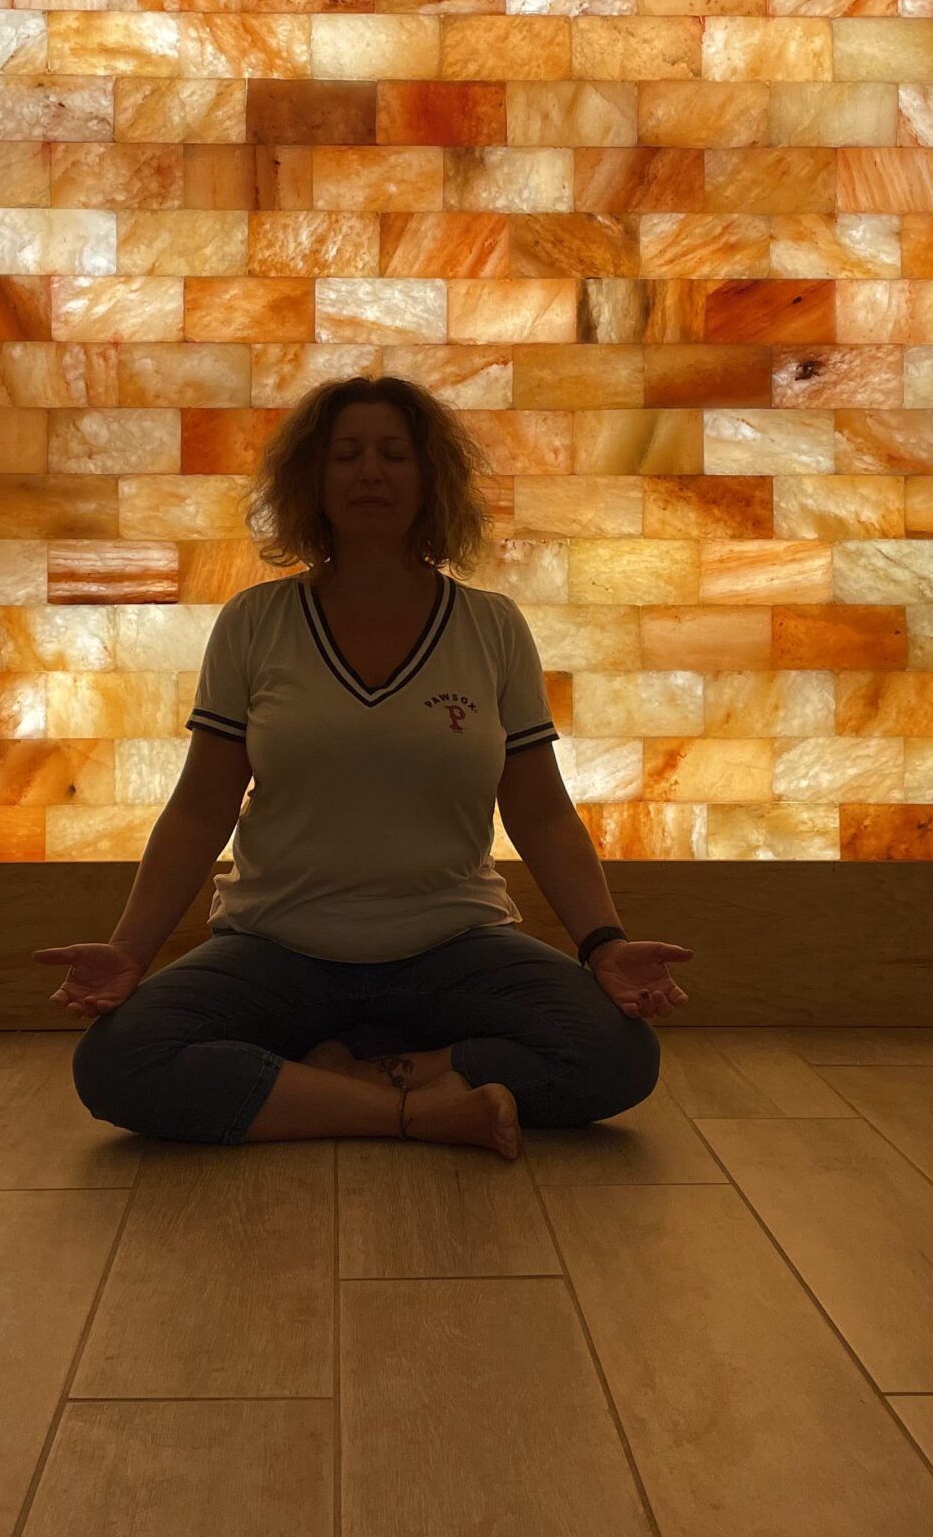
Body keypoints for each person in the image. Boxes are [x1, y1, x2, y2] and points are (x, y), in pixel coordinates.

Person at [36, 374, 694, 1160]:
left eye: (394, 455)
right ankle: (420, 1107)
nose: (370, 473)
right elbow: (200, 809)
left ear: (431, 479)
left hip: (452, 946)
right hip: (276, 948)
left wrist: (604, 945)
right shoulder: (257, 622)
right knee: (118, 1062)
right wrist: (129, 951)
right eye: (346, 454)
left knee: (616, 1054)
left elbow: (542, 812)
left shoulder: (492, 627)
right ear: (311, 480)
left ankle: (337, 1079)